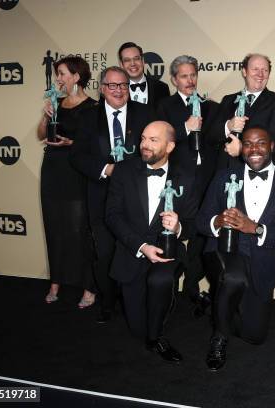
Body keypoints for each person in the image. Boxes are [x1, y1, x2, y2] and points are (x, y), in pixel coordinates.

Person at [196, 126, 275, 371]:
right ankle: (219, 337)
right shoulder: (224, 176)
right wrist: (217, 222)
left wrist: (255, 228)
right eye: (247, 144)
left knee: (255, 335)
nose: (254, 149)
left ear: (272, 146)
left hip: (261, 262)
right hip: (223, 251)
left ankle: (216, 305)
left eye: (261, 143)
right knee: (233, 278)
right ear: (241, 148)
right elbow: (202, 221)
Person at [105, 121, 195, 362]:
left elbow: (193, 222)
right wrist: (141, 247)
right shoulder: (123, 170)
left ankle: (158, 334)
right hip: (131, 249)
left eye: (153, 140)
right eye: (143, 138)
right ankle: (153, 323)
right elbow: (112, 216)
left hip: (167, 252)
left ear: (170, 146)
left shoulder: (186, 176)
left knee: (160, 282)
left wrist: (178, 227)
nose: (144, 144)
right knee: (138, 330)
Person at [71, 66, 154, 323]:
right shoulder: (87, 117)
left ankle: (140, 302)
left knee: (136, 249)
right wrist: (106, 168)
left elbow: (157, 150)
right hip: (101, 196)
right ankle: (108, 302)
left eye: (123, 85)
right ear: (102, 88)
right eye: (112, 85)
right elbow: (77, 157)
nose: (118, 90)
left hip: (139, 197)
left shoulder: (145, 113)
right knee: (105, 253)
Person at [157, 56, 219, 309]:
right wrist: (184, 128)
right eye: (184, 76)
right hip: (177, 184)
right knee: (172, 236)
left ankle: (193, 287)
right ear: (174, 79)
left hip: (207, 183)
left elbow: (217, 138)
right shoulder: (164, 106)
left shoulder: (210, 106)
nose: (190, 80)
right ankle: (169, 288)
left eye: (193, 74)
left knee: (201, 238)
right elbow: (160, 143)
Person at [37, 56, 96, 308]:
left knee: (79, 230)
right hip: (52, 169)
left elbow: (96, 144)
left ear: (76, 76)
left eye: (61, 73)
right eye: (58, 74)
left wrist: (72, 143)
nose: (58, 78)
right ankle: (56, 282)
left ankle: (88, 286)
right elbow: (41, 134)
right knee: (54, 227)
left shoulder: (93, 107)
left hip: (76, 171)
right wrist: (45, 115)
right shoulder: (56, 102)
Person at [209, 54, 275, 170]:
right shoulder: (228, 100)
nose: (260, 74)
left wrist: (242, 148)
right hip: (225, 171)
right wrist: (228, 126)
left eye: (265, 70)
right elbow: (211, 137)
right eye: (255, 69)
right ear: (244, 72)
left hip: (258, 172)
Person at [118, 42, 170, 110]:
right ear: (121, 65)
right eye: (127, 60)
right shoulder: (115, 90)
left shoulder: (162, 88)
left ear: (142, 61)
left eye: (136, 58)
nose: (133, 63)